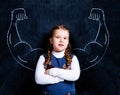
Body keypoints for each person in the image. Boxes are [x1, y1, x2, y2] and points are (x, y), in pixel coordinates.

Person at [35, 24, 81, 95]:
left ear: (68, 41)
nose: (61, 40)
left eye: (65, 38)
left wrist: (52, 71)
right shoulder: (43, 58)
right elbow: (38, 79)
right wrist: (62, 78)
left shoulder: (73, 58)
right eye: (57, 37)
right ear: (51, 40)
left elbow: (75, 76)